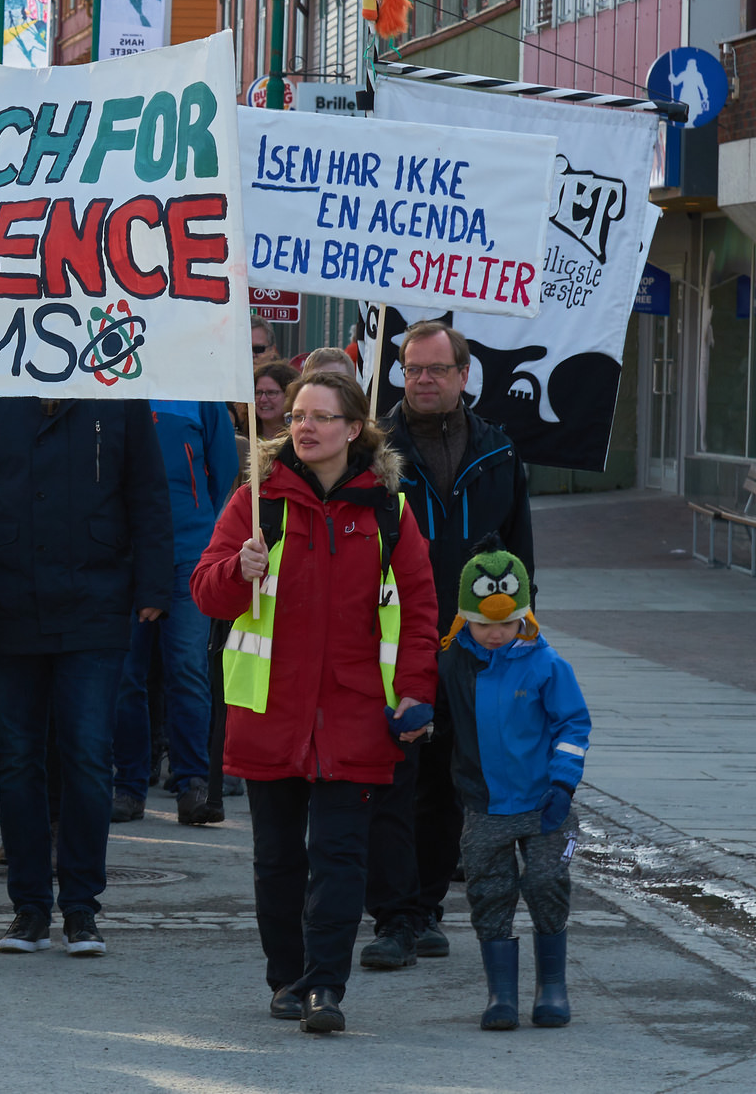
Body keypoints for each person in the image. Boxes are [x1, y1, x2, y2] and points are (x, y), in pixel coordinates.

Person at [191, 370, 439, 1033]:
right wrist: (232, 571)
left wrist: (416, 691)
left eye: (322, 416)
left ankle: (325, 985)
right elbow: (206, 593)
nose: (304, 425)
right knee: (277, 858)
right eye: (298, 413)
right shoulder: (255, 500)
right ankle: (287, 976)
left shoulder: (390, 509)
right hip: (269, 712)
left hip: (356, 714)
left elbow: (418, 607)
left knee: (339, 855)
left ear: (353, 428)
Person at [0, 393, 172, 958]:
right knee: (17, 758)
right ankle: (30, 907)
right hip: (8, 598)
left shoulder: (119, 397)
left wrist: (155, 585)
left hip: (96, 599)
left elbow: (147, 493)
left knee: (88, 754)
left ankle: (83, 906)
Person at [362, 318, 536, 970]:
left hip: (475, 650)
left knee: (450, 785)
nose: (423, 379)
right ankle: (394, 917)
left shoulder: (499, 451)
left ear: (465, 376)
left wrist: (522, 638)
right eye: (413, 368)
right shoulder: (375, 448)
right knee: (394, 782)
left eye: (436, 369)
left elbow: (520, 553)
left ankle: (428, 905)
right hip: (396, 644)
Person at [435, 537, 587, 1030]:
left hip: (546, 803)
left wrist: (562, 784)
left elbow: (573, 725)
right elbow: (435, 707)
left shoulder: (546, 665)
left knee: (546, 882)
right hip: (483, 805)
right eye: (483, 624)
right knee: (489, 891)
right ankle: (502, 995)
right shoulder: (454, 662)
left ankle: (552, 987)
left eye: (505, 623)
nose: (495, 634)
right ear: (464, 619)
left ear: (523, 615)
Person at [113, 401, 238, 826]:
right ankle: (129, 785)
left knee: (186, 669)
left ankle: (192, 784)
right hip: (126, 553)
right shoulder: (116, 387)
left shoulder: (203, 396)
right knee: (125, 674)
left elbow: (223, 473)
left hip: (190, 553)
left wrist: (199, 526)